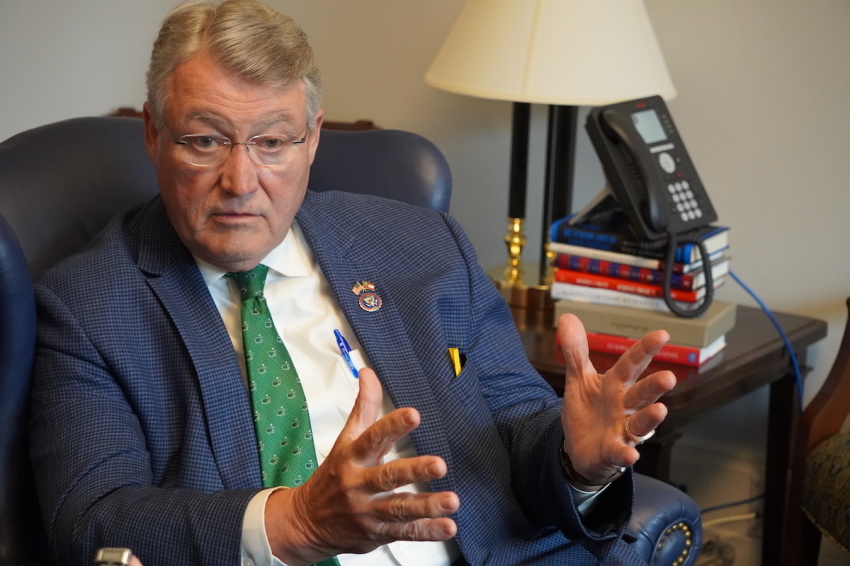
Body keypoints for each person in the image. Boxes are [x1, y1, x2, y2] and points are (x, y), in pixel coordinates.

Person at [29, 1, 676, 565]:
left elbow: (514, 431)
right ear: (153, 133)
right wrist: (295, 523)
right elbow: (92, 520)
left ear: (312, 138)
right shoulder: (87, 306)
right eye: (205, 141)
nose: (241, 181)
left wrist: (573, 460)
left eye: (272, 142)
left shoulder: (425, 245)